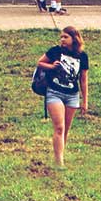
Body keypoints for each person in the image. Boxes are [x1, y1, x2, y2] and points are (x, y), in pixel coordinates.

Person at [35, 26, 90, 167]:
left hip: (72, 95)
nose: (62, 40)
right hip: (54, 92)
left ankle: (60, 155)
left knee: (65, 129)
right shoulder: (55, 51)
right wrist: (51, 67)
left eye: (66, 37)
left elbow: (83, 79)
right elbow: (40, 63)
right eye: (61, 37)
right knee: (59, 127)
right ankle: (59, 163)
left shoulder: (82, 56)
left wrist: (85, 101)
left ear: (74, 39)